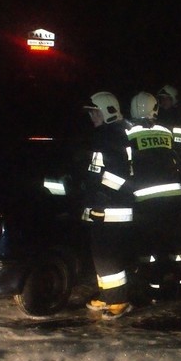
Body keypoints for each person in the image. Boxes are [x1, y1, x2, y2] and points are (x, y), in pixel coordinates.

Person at [126, 91, 181, 297]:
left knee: (149, 243)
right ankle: (178, 278)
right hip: (173, 196)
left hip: (145, 199)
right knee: (173, 241)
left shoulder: (128, 133)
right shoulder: (166, 131)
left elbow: (128, 165)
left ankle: (151, 283)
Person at [81, 91, 134, 319]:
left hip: (113, 209)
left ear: (107, 112)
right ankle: (107, 296)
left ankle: (118, 301)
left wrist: (102, 194)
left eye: (94, 112)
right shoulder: (105, 134)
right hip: (101, 207)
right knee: (101, 255)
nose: (92, 116)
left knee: (109, 255)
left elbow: (120, 173)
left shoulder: (114, 136)